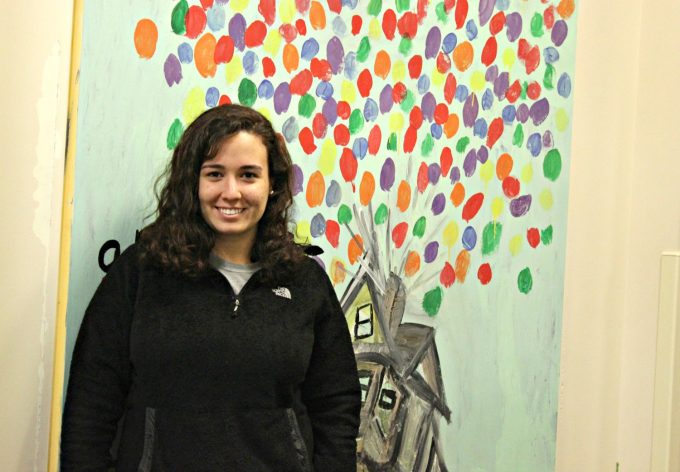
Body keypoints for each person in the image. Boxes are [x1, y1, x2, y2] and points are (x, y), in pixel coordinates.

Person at [60, 104, 361, 471]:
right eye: (215, 174)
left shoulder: (304, 281)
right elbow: (91, 404)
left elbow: (336, 404)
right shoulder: (140, 272)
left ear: (273, 185)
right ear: (192, 182)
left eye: (248, 175)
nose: (231, 192)